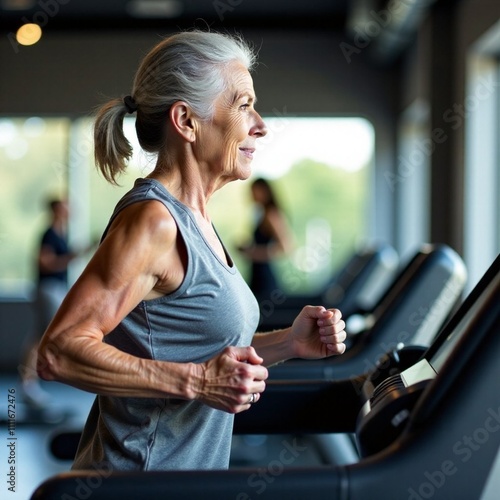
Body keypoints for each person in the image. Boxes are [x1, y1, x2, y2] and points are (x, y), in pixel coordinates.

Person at [37, 30, 346, 472]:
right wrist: (198, 382)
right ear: (186, 121)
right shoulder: (153, 222)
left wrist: (288, 343)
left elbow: (193, 347)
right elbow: (59, 351)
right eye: (243, 106)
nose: (260, 125)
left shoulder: (197, 221)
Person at [20, 198, 76, 409]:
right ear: (56, 210)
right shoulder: (49, 234)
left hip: (56, 288)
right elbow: (45, 263)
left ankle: (29, 383)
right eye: (64, 206)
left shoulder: (61, 234)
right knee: (42, 336)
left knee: (41, 335)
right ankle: (28, 383)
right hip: (48, 289)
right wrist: (70, 256)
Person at [238, 177, 292, 298]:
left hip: (265, 277)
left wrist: (253, 252)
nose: (251, 195)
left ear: (264, 191)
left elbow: (286, 247)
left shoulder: (271, 215)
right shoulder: (261, 214)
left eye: (254, 191)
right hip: (257, 274)